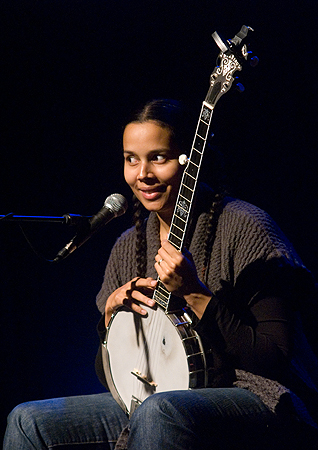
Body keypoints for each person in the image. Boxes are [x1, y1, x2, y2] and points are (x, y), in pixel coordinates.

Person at [3, 99, 318, 450]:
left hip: (254, 395)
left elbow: (274, 358)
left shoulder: (247, 228)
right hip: (158, 400)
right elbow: (116, 375)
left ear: (190, 161)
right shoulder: (128, 245)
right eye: (131, 159)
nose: (142, 175)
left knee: (160, 411)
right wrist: (110, 319)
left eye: (159, 157)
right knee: (28, 420)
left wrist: (196, 294)